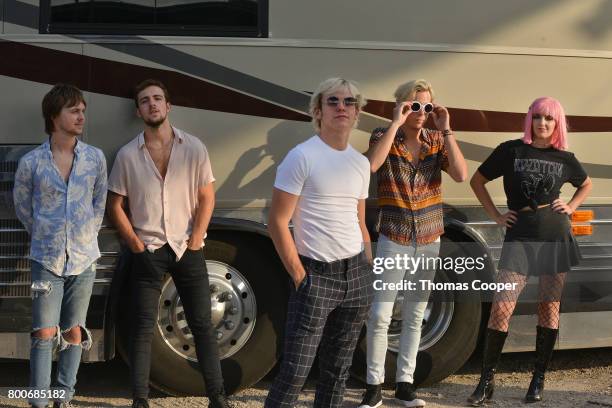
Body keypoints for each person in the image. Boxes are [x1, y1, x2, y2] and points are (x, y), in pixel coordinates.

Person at [106, 79, 232, 408]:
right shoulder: (127, 155)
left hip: (187, 248)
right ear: (138, 111)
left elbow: (207, 197)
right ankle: (140, 400)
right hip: (147, 250)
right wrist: (135, 245)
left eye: (157, 99)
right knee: (142, 326)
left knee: (203, 324)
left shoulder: (194, 148)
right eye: (145, 100)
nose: (152, 104)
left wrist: (195, 239)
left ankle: (217, 398)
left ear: (168, 106)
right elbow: (114, 205)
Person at [467, 96, 592, 406]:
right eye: (538, 117)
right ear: (530, 120)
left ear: (557, 123)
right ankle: (487, 380)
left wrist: (572, 206)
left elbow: (586, 184)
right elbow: (477, 180)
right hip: (519, 237)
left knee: (548, 308)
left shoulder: (565, 157)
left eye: (549, 119)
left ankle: (538, 379)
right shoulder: (511, 150)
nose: (543, 123)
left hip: (554, 236)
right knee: (501, 307)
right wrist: (496, 216)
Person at [264, 78, 373, 408]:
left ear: (357, 113)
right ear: (318, 111)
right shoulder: (301, 157)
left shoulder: (360, 163)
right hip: (316, 276)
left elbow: (360, 221)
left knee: (338, 372)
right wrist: (300, 276)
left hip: (356, 276)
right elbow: (277, 222)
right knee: (295, 372)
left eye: (350, 102)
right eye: (333, 101)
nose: (342, 107)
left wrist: (368, 269)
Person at [360, 79, 467, 408]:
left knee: (416, 313)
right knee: (379, 314)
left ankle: (405, 384)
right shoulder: (384, 137)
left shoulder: (436, 140)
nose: (421, 113)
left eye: (427, 106)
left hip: (430, 238)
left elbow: (461, 174)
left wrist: (447, 130)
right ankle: (373, 386)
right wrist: (395, 122)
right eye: (415, 106)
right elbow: (370, 166)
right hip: (394, 237)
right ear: (402, 106)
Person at [13, 84, 107, 408]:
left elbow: (100, 202)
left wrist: (84, 238)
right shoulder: (31, 163)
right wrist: (46, 233)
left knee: (73, 332)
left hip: (84, 261)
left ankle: (63, 396)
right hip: (46, 261)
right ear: (55, 116)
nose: (81, 115)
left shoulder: (95, 158)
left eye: (83, 110)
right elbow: (23, 206)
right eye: (74, 110)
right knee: (43, 332)